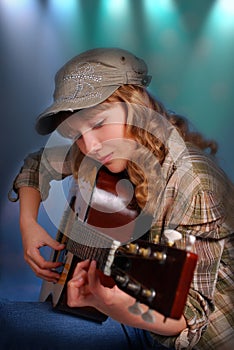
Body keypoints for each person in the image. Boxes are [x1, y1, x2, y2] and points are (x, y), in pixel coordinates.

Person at [3, 48, 234, 350]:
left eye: (98, 124)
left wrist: (109, 303)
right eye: (77, 134)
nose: (91, 146)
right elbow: (37, 164)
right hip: (127, 310)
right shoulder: (108, 151)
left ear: (136, 108)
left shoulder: (193, 182)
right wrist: (27, 224)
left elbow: (188, 320)